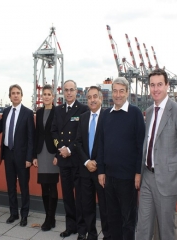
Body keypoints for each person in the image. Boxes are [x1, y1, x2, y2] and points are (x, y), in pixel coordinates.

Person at [136, 69, 177, 240]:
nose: (156, 89)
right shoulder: (148, 112)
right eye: (152, 85)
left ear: (167, 86)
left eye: (159, 85)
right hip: (147, 177)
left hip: (168, 181)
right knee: (142, 228)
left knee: (166, 231)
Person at [97, 77, 145, 240]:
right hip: (109, 177)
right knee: (113, 218)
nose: (117, 95)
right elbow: (101, 144)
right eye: (115, 91)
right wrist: (101, 171)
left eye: (121, 91)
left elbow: (141, 147)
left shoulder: (135, 114)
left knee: (128, 220)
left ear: (127, 93)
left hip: (128, 178)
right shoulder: (105, 115)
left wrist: (138, 173)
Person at [51, 80, 88, 240]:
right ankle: (70, 227)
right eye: (66, 90)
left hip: (77, 160)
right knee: (67, 196)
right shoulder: (58, 110)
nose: (68, 93)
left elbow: (81, 134)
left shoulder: (83, 109)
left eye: (71, 90)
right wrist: (60, 148)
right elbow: (54, 131)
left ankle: (81, 229)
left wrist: (70, 149)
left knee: (79, 197)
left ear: (76, 92)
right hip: (64, 160)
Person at [75, 86, 111, 240]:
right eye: (89, 97)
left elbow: (109, 143)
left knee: (105, 206)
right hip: (85, 169)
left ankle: (108, 234)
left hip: (101, 170)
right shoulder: (83, 117)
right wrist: (86, 161)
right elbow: (78, 142)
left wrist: (97, 161)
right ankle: (92, 233)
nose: (92, 100)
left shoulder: (108, 117)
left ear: (101, 98)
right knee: (87, 205)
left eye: (95, 96)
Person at [0, 84, 35, 227]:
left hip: (22, 156)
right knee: (10, 185)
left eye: (18, 93)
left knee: (24, 186)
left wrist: (29, 158)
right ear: (10, 96)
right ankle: (13, 213)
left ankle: (24, 215)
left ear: (21, 96)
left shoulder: (28, 113)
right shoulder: (6, 111)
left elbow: (31, 138)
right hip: (8, 153)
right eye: (13, 93)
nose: (15, 95)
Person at [33, 84, 59, 231]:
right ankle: (48, 217)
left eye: (49, 94)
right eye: (45, 94)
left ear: (53, 97)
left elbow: (59, 133)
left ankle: (51, 218)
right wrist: (34, 155)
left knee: (52, 186)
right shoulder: (39, 112)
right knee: (44, 186)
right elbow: (37, 134)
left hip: (52, 153)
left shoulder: (57, 112)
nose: (47, 96)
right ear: (41, 97)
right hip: (41, 153)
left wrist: (58, 155)